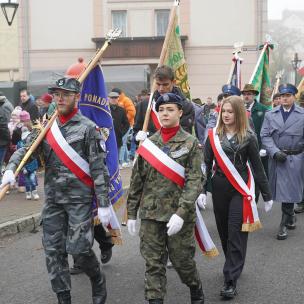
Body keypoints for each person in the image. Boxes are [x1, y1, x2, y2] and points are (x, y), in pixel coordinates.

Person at [1, 77, 110, 304]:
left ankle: (97, 278)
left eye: (66, 94)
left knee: (79, 250)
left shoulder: (89, 129)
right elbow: (26, 149)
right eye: (57, 94)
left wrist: (104, 203)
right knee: (53, 252)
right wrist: (10, 169)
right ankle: (63, 297)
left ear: (76, 97)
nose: (60, 98)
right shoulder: (46, 127)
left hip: (79, 201)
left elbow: (99, 169)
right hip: (53, 201)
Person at [127, 93, 205, 304]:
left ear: (180, 112)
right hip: (151, 214)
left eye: (170, 109)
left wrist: (182, 213)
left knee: (182, 262)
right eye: (161, 110)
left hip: (178, 215)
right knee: (153, 264)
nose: (165, 114)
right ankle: (155, 300)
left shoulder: (190, 144)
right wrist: (132, 213)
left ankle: (195, 286)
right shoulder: (149, 144)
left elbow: (194, 181)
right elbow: (137, 181)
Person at [201, 96, 272, 299]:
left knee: (235, 232)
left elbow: (257, 168)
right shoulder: (213, 135)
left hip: (240, 189)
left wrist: (266, 195)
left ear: (239, 113)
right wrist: (201, 191)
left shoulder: (248, 136)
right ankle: (234, 264)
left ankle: (230, 280)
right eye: (224, 111)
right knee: (224, 233)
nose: (226, 115)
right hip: (220, 187)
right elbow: (206, 164)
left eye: (230, 111)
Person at [261, 83, 304, 240]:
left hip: (296, 159)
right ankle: (290, 215)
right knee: (283, 193)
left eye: (288, 95)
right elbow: (264, 135)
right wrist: (274, 151)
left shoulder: (302, 114)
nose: (284, 98)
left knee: (290, 192)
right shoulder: (270, 114)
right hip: (278, 159)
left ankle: (283, 224)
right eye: (282, 96)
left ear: (294, 97)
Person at [152, 65, 195, 134]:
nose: (161, 89)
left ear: (173, 82)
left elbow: (184, 134)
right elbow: (137, 128)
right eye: (158, 84)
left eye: (165, 85)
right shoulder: (147, 104)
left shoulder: (185, 106)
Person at [111, 88, 136, 167]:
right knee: (122, 143)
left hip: (125, 126)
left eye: (115, 97)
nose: (114, 99)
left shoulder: (126, 100)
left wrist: (121, 121)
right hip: (118, 127)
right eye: (112, 97)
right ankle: (127, 160)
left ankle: (120, 162)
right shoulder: (118, 102)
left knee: (122, 143)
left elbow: (132, 112)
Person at [17, 126, 39, 200]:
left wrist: (35, 168)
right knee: (26, 181)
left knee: (32, 180)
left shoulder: (33, 144)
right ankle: (28, 193)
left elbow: (35, 158)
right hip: (25, 167)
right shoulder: (20, 144)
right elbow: (19, 158)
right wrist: (23, 168)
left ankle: (34, 192)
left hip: (32, 167)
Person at [0, 91, 13, 176]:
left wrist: (8, 139)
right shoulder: (5, 104)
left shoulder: (4, 106)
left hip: (3, 140)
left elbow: (5, 124)